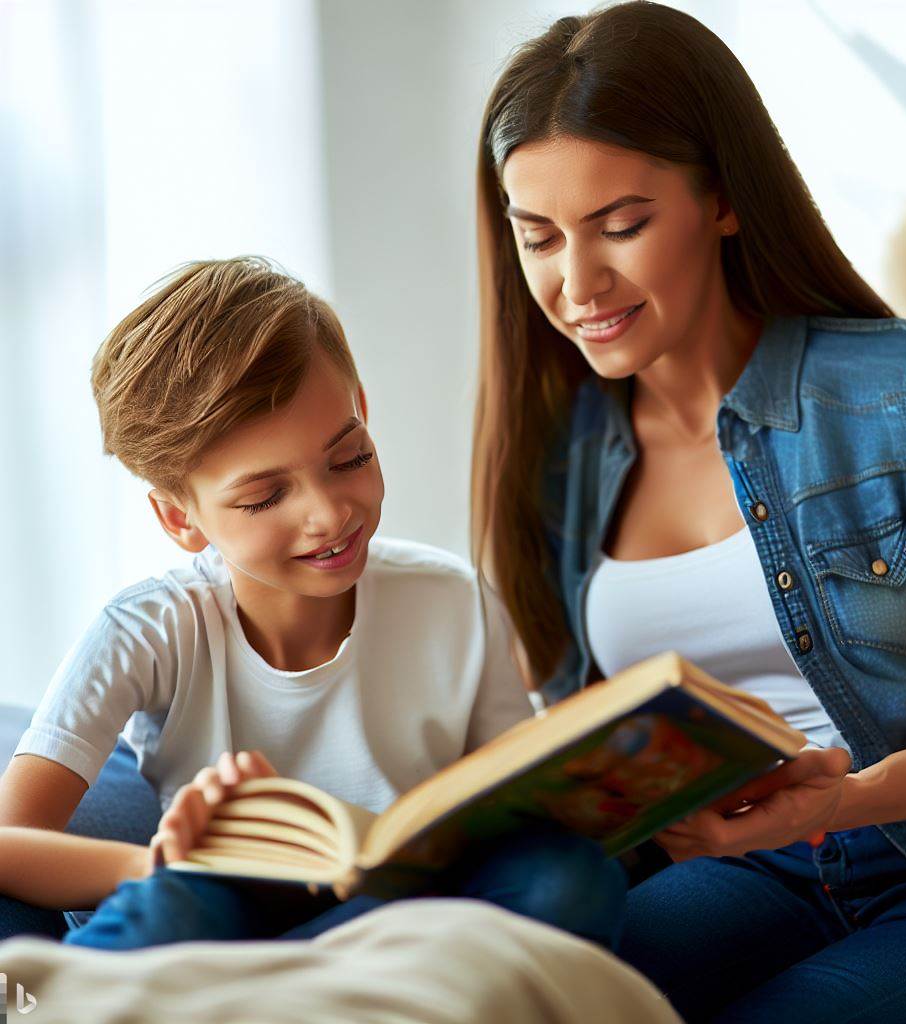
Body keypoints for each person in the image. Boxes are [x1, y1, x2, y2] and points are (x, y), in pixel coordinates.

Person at [471, 3, 906, 1021]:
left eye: (620, 225)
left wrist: (849, 797)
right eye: (538, 236)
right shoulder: (564, 463)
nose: (576, 281)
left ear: (722, 198)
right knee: (509, 997)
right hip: (743, 870)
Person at [0, 257, 626, 951]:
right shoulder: (149, 629)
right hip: (231, 913)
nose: (329, 514)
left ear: (363, 408)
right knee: (179, 907)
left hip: (406, 908)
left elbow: (516, 805)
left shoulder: (452, 601)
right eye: (265, 497)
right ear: (181, 519)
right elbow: (9, 840)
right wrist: (155, 867)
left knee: (568, 878)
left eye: (350, 457)